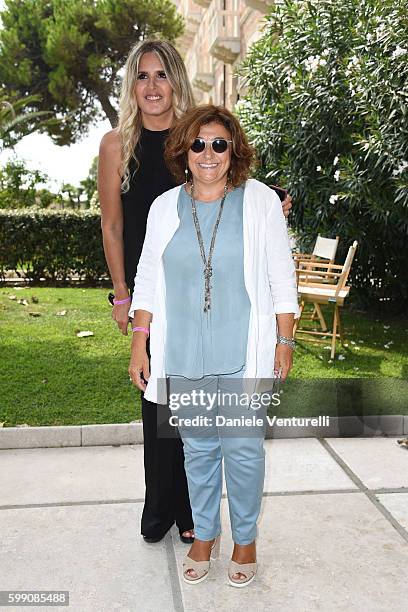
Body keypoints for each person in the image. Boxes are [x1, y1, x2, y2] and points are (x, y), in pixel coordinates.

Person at [98, 39, 293, 546]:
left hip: (199, 285)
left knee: (199, 415)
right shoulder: (116, 144)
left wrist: (270, 198)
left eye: (161, 75)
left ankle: (194, 514)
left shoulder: (194, 133)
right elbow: (113, 227)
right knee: (159, 406)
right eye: (141, 76)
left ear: (176, 80)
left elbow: (226, 178)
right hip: (155, 286)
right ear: (130, 86)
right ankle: (161, 505)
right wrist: (123, 295)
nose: (152, 86)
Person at [128, 104, 300, 587]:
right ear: (184, 150)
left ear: (233, 151)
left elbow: (280, 275)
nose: (208, 153)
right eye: (199, 144)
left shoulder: (260, 201)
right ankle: (205, 533)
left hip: (242, 348)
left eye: (219, 144)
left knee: (243, 450)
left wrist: (285, 339)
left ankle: (244, 539)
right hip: (181, 350)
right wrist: (140, 342)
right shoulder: (164, 207)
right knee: (198, 451)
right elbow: (147, 279)